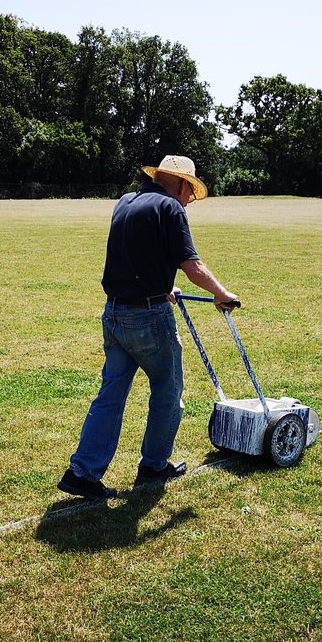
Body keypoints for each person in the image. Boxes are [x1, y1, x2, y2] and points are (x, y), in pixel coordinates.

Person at [58, 155, 238, 500]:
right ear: (183, 184)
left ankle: (82, 472)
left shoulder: (127, 201)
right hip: (148, 319)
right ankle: (154, 465)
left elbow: (133, 253)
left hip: (114, 314)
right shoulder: (171, 208)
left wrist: (162, 286)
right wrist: (221, 294)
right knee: (168, 390)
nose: (189, 201)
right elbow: (191, 263)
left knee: (110, 396)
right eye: (190, 193)